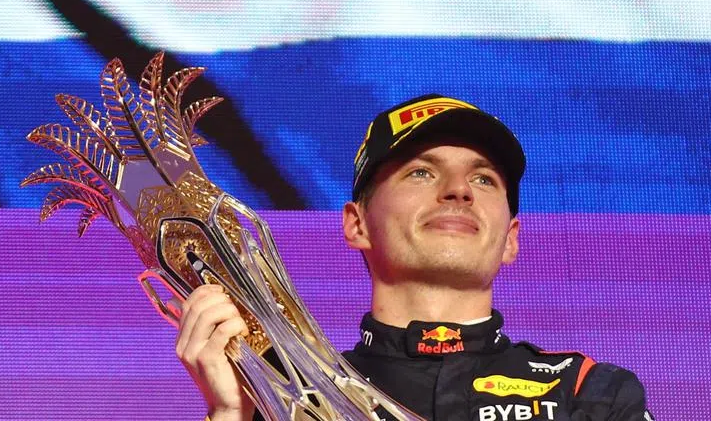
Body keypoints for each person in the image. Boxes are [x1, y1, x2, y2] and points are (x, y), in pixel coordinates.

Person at [175, 94, 653, 420]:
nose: (459, 191)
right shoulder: (292, 398)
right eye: (422, 172)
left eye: (484, 179)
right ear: (357, 224)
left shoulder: (590, 395)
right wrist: (229, 414)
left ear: (510, 238)